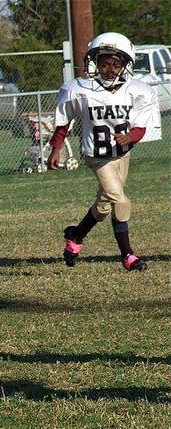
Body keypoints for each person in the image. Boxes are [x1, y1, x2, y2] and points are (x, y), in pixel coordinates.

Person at [49, 32, 158, 272]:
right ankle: (128, 255)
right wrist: (56, 148)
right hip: (96, 155)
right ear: (95, 63)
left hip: (122, 154)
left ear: (125, 66)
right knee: (121, 200)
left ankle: (75, 235)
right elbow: (64, 120)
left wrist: (130, 137)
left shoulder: (136, 91)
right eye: (104, 63)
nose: (110, 69)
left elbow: (141, 126)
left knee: (104, 205)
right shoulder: (80, 89)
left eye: (116, 64)